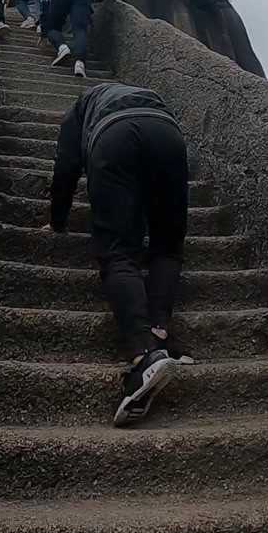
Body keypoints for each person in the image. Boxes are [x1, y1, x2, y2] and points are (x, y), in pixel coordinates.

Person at [46, 83, 194, 427]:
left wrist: (57, 221)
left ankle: (144, 353)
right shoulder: (144, 92)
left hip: (114, 136)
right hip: (167, 132)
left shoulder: (81, 106)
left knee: (118, 251)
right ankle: (159, 330)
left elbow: (66, 165)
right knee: (168, 245)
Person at [37, 0, 93, 78]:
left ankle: (62, 47)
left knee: (52, 27)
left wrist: (44, 31)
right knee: (80, 28)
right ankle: (79, 63)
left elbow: (44, 2)